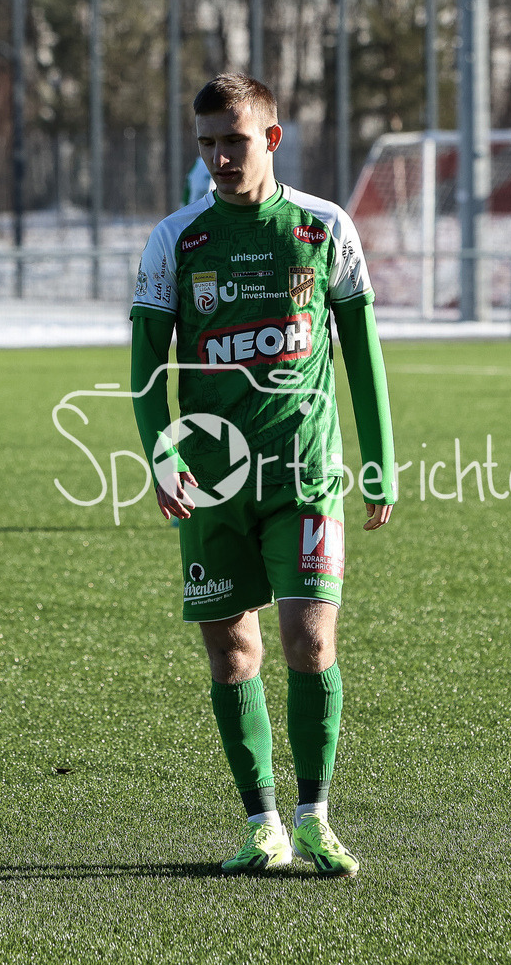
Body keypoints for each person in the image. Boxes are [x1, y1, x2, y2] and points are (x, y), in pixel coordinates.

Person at [130, 73, 396, 878]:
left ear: (271, 139)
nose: (218, 158)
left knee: (308, 640)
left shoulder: (323, 228)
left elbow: (362, 351)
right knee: (231, 652)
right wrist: (162, 454)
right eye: (206, 144)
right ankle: (262, 824)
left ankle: (315, 817)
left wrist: (378, 458)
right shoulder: (177, 240)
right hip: (213, 484)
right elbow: (146, 364)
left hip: (305, 471)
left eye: (233, 142)